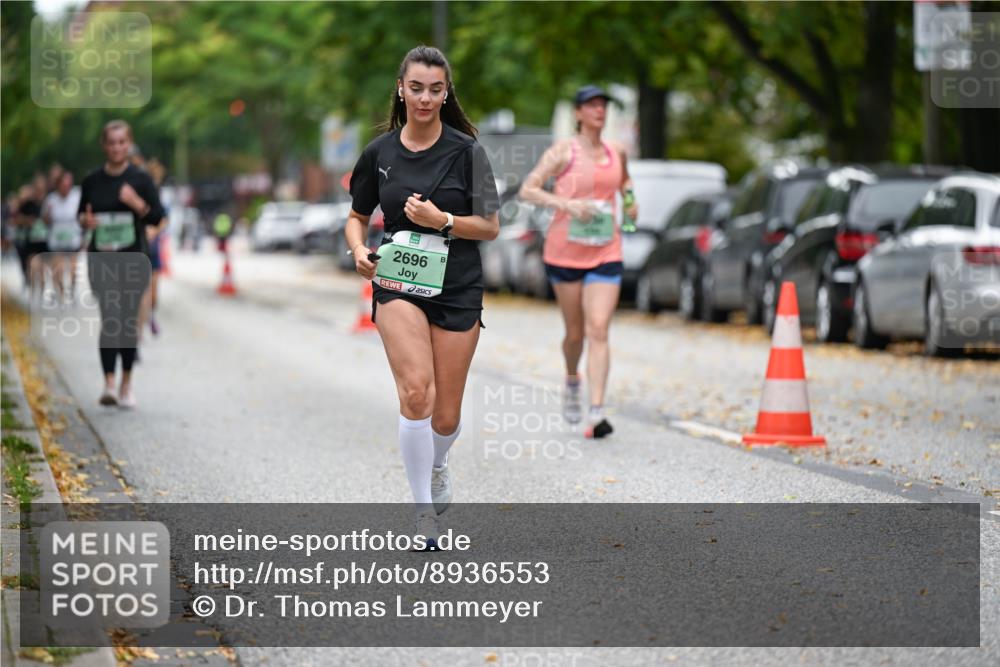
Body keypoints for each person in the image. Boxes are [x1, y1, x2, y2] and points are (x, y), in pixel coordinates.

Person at [343, 45, 500, 545]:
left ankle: (436, 463)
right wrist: (358, 251)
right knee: (416, 393)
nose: (425, 98)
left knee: (446, 416)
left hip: (457, 285)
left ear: (446, 92)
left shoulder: (468, 153)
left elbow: (491, 226)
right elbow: (357, 217)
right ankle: (422, 514)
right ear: (401, 89)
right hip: (397, 282)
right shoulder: (380, 153)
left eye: (435, 89)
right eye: (416, 88)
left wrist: (444, 220)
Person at [519, 85, 638, 439]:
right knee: (575, 334)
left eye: (603, 105)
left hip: (606, 251)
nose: (599, 110)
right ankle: (572, 379)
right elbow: (528, 189)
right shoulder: (563, 151)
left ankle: (597, 411)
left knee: (598, 329)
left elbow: (626, 182)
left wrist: (630, 203)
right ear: (578, 113)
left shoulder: (617, 151)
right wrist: (566, 204)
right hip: (566, 253)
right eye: (592, 105)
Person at [78, 119, 165, 409]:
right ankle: (109, 384)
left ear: (128, 144)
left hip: (132, 258)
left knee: (127, 321)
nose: (116, 148)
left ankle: (127, 383)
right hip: (102, 259)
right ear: (104, 146)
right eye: (111, 143)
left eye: (121, 142)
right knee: (109, 318)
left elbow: (157, 217)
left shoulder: (141, 180)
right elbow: (81, 214)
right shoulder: (92, 180)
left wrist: (137, 204)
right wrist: (86, 221)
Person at [42, 171, 82, 303]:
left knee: (73, 270)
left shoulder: (77, 196)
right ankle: (61, 294)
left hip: (73, 239)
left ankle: (72, 290)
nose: (66, 188)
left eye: (68, 185)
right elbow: (45, 221)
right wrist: (48, 214)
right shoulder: (51, 199)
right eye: (63, 185)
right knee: (58, 270)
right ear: (58, 185)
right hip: (57, 241)